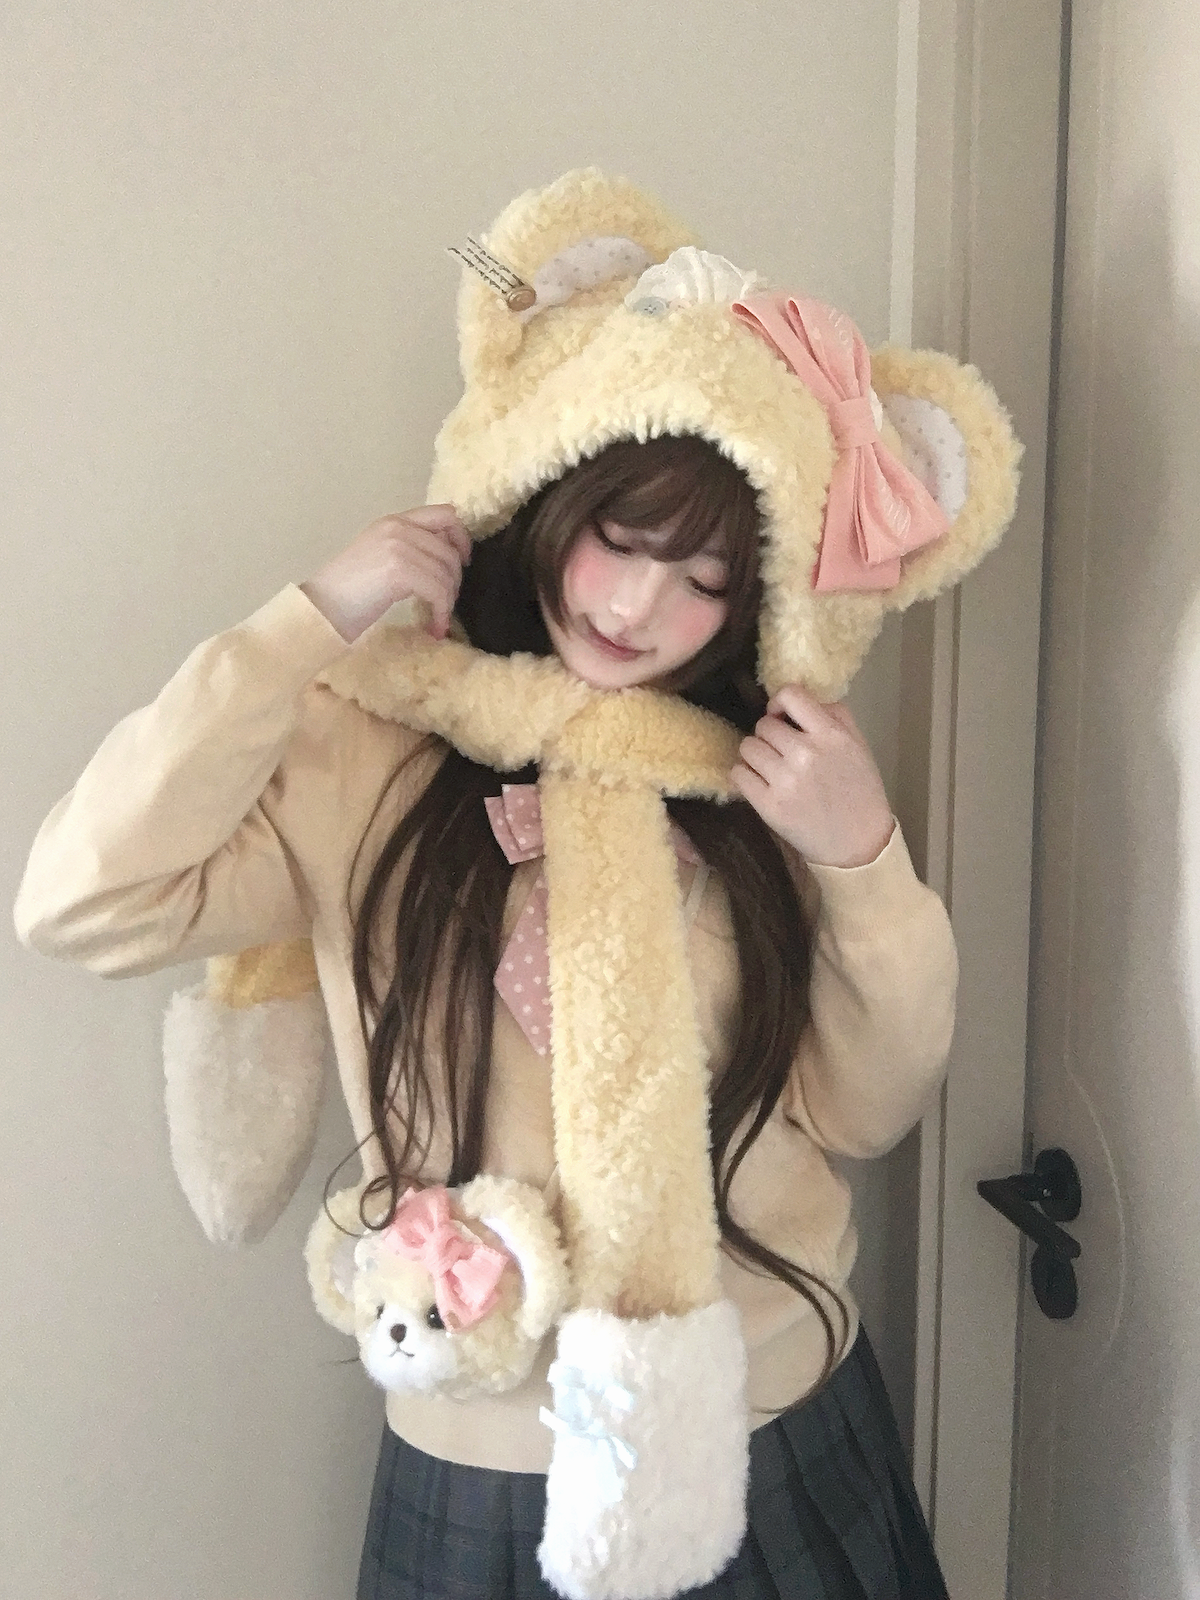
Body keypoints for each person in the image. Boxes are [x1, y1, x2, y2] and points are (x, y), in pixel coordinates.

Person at [15, 170, 1020, 1600]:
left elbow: (866, 1108)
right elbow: (80, 898)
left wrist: (862, 858)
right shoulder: (371, 751)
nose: (639, 608)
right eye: (621, 539)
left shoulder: (764, 781)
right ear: (547, 492)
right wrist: (312, 620)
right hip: (483, 1439)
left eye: (706, 581)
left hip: (777, 1417)